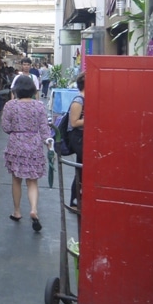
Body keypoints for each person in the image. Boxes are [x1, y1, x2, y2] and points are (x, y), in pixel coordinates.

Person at [1, 75, 50, 232]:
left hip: (16, 143)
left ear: (17, 89)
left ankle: (17, 211)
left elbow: (5, 127)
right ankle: (34, 209)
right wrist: (48, 143)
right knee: (32, 181)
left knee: (16, 179)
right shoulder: (39, 106)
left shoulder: (10, 105)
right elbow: (44, 128)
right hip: (34, 144)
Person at [68, 72, 85, 207]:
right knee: (81, 168)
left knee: (83, 168)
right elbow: (74, 122)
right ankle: (75, 198)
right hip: (79, 138)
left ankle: (78, 197)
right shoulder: (79, 100)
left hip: (85, 137)